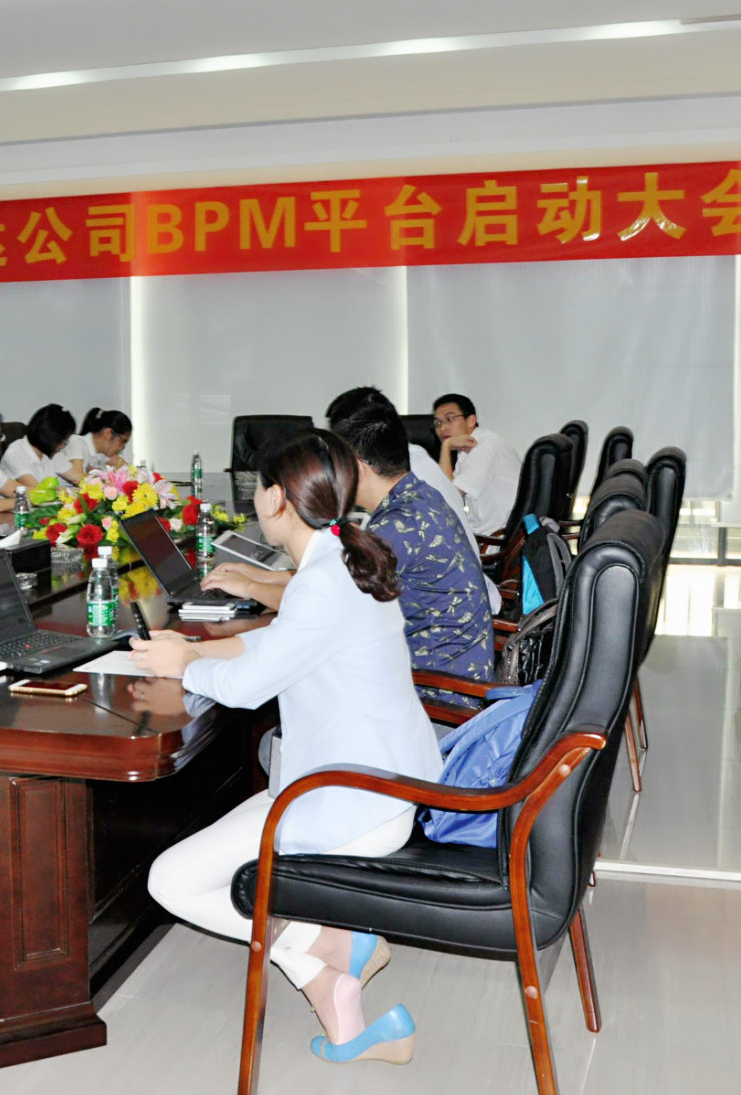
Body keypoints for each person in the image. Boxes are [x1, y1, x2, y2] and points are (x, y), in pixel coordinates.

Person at [133, 429, 442, 1065]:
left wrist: (187, 667)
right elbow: (283, 646)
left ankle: (324, 954)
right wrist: (193, 650)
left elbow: (247, 688)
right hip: (373, 782)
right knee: (213, 853)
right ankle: (337, 975)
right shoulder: (342, 557)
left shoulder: (323, 580)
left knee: (170, 881)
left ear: (276, 498)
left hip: (352, 799)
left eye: (257, 489)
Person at [325, 386, 500, 611]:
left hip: (443, 620)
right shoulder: (414, 483)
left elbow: (336, 601)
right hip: (463, 606)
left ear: (356, 463)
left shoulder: (398, 519)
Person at [433, 393, 521, 538]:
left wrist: (446, 446)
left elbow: (447, 498)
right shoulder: (473, 446)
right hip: (486, 533)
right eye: (438, 423)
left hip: (493, 538)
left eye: (449, 419)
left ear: (471, 420)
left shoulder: (485, 448)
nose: (442, 428)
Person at [1, 403, 76, 487]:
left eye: (65, 441)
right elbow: (37, 490)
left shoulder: (52, 453)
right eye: (60, 441)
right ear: (47, 436)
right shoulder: (15, 454)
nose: (62, 446)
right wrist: (69, 491)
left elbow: (78, 478)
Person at [62, 408, 132, 479]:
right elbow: (77, 478)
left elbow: (129, 471)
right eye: (122, 441)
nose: (121, 447)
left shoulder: (102, 452)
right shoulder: (77, 443)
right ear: (108, 433)